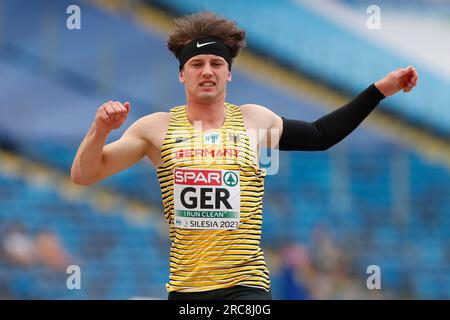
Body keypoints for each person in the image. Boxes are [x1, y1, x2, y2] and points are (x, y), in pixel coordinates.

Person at [70, 11, 418, 300]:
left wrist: (380, 90)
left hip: (245, 288)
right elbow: (85, 175)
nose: (207, 71)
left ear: (229, 73)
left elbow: (321, 135)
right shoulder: (155, 129)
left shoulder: (254, 120)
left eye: (217, 63)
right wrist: (99, 130)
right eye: (197, 64)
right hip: (186, 289)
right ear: (181, 73)